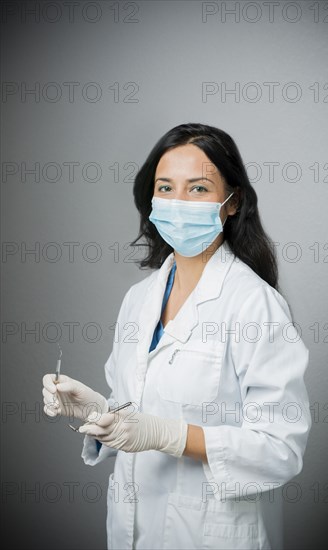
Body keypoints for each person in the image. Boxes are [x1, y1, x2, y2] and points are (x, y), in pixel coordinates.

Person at [42, 122, 312, 550]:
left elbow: (280, 449)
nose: (178, 202)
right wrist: (96, 409)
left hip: (211, 534)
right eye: (165, 188)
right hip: (130, 527)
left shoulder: (253, 304)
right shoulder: (139, 299)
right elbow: (137, 409)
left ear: (232, 201)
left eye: (199, 189)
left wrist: (169, 435)